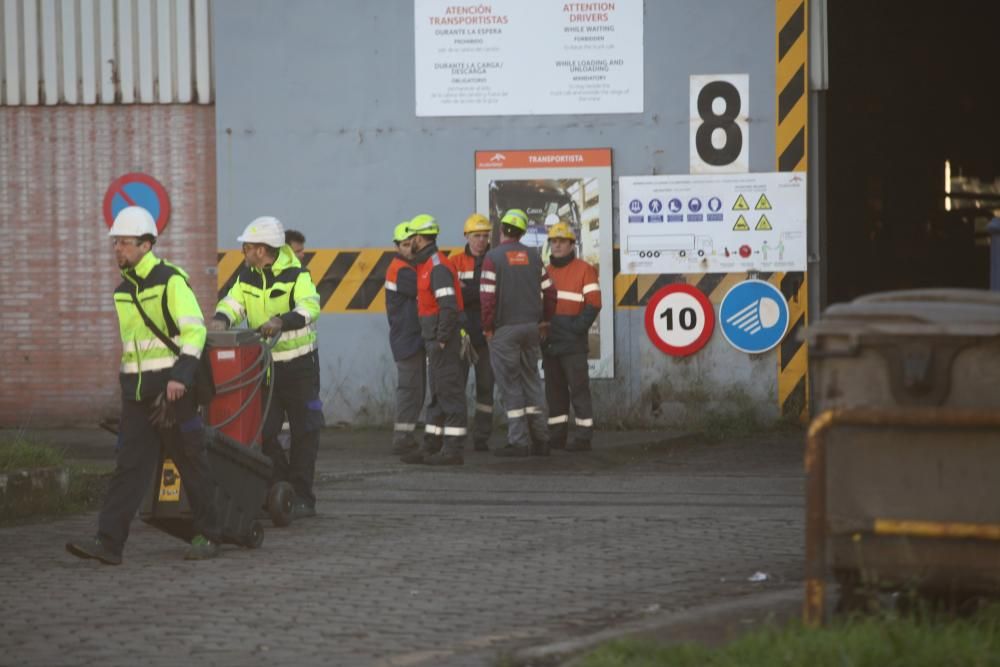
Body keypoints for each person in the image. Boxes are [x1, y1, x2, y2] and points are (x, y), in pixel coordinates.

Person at [66, 206, 223, 564]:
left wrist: (180, 377)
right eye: (115, 243)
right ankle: (108, 544)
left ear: (146, 245)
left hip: (173, 392)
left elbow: (194, 330)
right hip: (138, 394)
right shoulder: (123, 292)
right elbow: (134, 346)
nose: (117, 249)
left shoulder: (171, 280)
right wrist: (127, 383)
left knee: (190, 461)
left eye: (124, 243)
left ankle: (209, 536)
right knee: (129, 466)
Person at [209, 216, 323, 519]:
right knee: (265, 432)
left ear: (261, 249)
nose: (243, 251)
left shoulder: (297, 275)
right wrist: (221, 319)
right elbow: (233, 303)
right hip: (267, 368)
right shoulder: (246, 275)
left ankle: (302, 497)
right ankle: (280, 486)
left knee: (305, 431)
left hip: (300, 367)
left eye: (247, 247)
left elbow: (310, 308)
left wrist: (281, 321)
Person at [480, 208, 557, 457]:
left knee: (510, 385)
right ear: (523, 232)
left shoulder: (492, 257)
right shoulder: (534, 257)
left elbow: (487, 298)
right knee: (532, 382)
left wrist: (488, 328)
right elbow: (551, 292)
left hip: (504, 331)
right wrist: (545, 321)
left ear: (501, 230)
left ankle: (519, 441)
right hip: (531, 329)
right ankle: (541, 439)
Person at [400, 214, 468, 465]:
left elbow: (448, 306)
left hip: (443, 342)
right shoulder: (428, 265)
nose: (410, 244)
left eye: (411, 239)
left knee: (450, 395)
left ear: (419, 238)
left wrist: (441, 339)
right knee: (438, 395)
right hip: (436, 340)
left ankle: (452, 451)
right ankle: (432, 446)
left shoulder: (437, 267)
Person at [542, 222, 601, 451]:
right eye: (553, 241)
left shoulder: (584, 269)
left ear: (571, 244)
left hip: (573, 342)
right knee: (554, 392)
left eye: (561, 241)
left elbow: (594, 303)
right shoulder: (546, 271)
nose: (556, 245)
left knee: (578, 390)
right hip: (551, 341)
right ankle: (557, 436)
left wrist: (577, 329)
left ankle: (583, 437)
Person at [451, 213, 496, 451]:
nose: (480, 240)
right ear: (466, 236)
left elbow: (496, 297)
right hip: (462, 336)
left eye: (484, 236)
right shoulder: (455, 262)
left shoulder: (495, 260)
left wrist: (469, 292)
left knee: (486, 387)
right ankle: (456, 435)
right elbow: (453, 296)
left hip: (488, 336)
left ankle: (481, 437)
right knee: (456, 386)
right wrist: (480, 293)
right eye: (476, 236)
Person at [385, 221, 425, 455]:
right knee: (410, 389)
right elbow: (425, 288)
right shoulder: (402, 270)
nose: (410, 249)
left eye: (413, 244)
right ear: (397, 246)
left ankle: (406, 435)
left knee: (414, 389)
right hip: (407, 338)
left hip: (409, 336)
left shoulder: (406, 267)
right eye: (406, 245)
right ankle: (402, 437)